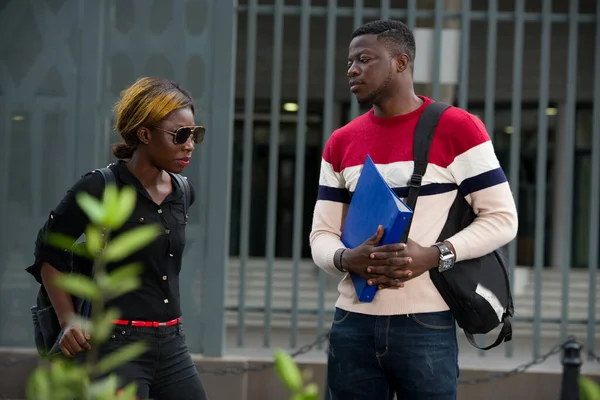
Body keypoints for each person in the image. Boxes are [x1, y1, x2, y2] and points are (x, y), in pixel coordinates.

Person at [309, 20, 518, 400]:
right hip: (351, 324)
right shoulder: (341, 142)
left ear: (401, 63)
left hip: (425, 324)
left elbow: (503, 218)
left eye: (364, 59)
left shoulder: (458, 128)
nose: (351, 69)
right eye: (349, 62)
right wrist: (345, 258)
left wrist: (436, 255)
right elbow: (321, 234)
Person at [26, 76, 208, 400]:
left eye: (194, 134)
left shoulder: (183, 192)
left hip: (172, 344)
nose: (190, 144)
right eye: (180, 135)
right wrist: (69, 320)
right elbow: (48, 253)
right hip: (115, 346)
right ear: (144, 134)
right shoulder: (99, 187)